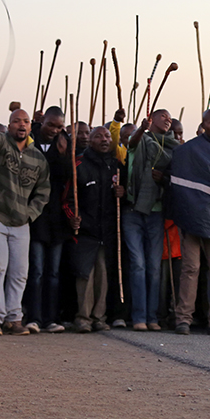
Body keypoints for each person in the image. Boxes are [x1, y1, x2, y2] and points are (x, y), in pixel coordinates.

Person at [0, 109, 50, 336]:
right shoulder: (0, 144)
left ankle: (14, 318)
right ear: (9, 125)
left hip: (20, 221)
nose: (21, 125)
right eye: (16, 121)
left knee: (19, 272)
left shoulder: (38, 158)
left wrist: (30, 213)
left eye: (25, 121)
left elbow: (43, 191)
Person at [167, 109, 210, 336]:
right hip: (192, 217)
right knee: (191, 268)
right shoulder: (188, 150)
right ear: (203, 125)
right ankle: (183, 319)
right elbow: (180, 183)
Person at [123, 109, 178, 331]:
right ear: (151, 119)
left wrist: (163, 178)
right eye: (163, 116)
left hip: (156, 211)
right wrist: (141, 129)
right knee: (138, 265)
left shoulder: (174, 146)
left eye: (170, 118)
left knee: (154, 267)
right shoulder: (141, 139)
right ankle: (138, 318)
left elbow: (176, 175)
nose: (168, 120)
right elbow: (131, 143)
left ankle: (152, 317)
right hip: (133, 210)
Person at [24, 106, 74, 334]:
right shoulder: (29, 139)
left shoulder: (64, 144)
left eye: (59, 126)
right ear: (42, 121)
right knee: (36, 270)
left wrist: (64, 155)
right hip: (34, 216)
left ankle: (50, 318)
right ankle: (32, 316)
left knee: (53, 272)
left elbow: (67, 177)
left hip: (57, 218)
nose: (54, 130)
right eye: (51, 125)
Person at [68, 126, 124, 332]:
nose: (104, 139)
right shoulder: (79, 165)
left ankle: (99, 317)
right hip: (86, 230)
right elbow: (67, 199)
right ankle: (83, 317)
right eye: (98, 136)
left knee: (103, 273)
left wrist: (122, 192)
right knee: (85, 274)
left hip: (107, 229)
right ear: (90, 140)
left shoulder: (115, 165)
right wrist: (72, 218)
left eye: (107, 136)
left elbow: (123, 197)